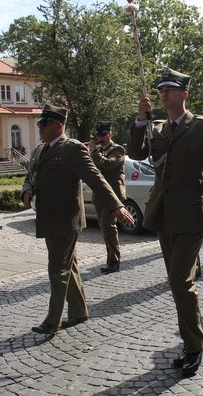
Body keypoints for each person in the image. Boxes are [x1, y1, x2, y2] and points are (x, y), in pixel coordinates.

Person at [127, 67, 203, 377]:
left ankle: (193, 345)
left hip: (191, 215)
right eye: (161, 90)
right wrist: (140, 120)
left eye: (170, 90)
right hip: (163, 214)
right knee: (176, 284)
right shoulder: (156, 129)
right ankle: (190, 342)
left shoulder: (202, 127)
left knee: (180, 280)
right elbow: (135, 153)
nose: (164, 94)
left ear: (184, 95)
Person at [22, 105, 133, 338]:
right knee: (68, 265)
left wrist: (117, 206)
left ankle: (52, 321)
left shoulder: (71, 149)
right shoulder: (41, 150)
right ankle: (79, 311)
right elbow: (31, 175)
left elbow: (96, 178)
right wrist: (27, 190)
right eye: (39, 124)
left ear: (59, 125)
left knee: (57, 268)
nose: (40, 128)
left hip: (66, 219)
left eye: (44, 124)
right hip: (48, 217)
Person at [89, 121, 126, 274]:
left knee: (108, 227)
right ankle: (110, 258)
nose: (101, 137)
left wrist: (94, 153)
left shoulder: (117, 149)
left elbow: (108, 165)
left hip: (114, 196)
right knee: (104, 229)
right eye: (99, 135)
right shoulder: (97, 151)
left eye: (103, 134)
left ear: (110, 134)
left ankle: (114, 260)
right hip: (100, 195)